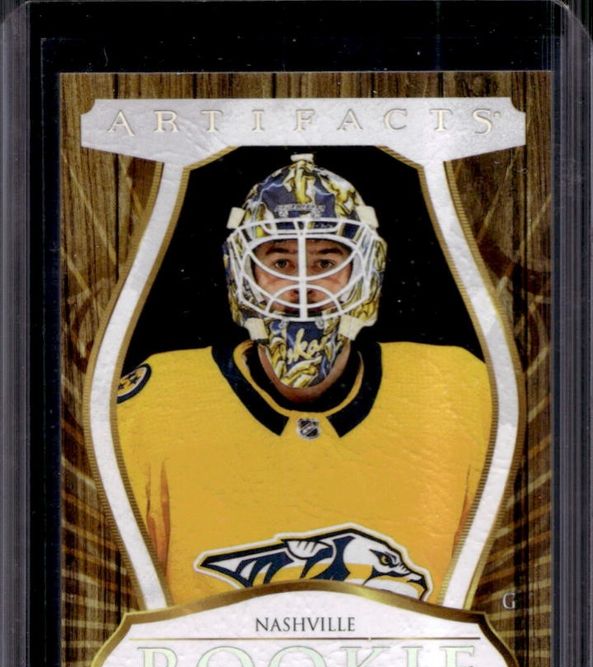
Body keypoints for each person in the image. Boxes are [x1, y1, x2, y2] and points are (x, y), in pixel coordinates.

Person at [116, 154, 492, 606]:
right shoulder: (157, 403)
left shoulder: (457, 388)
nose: (301, 286)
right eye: (279, 260)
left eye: (325, 260)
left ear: (366, 272)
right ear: (242, 274)